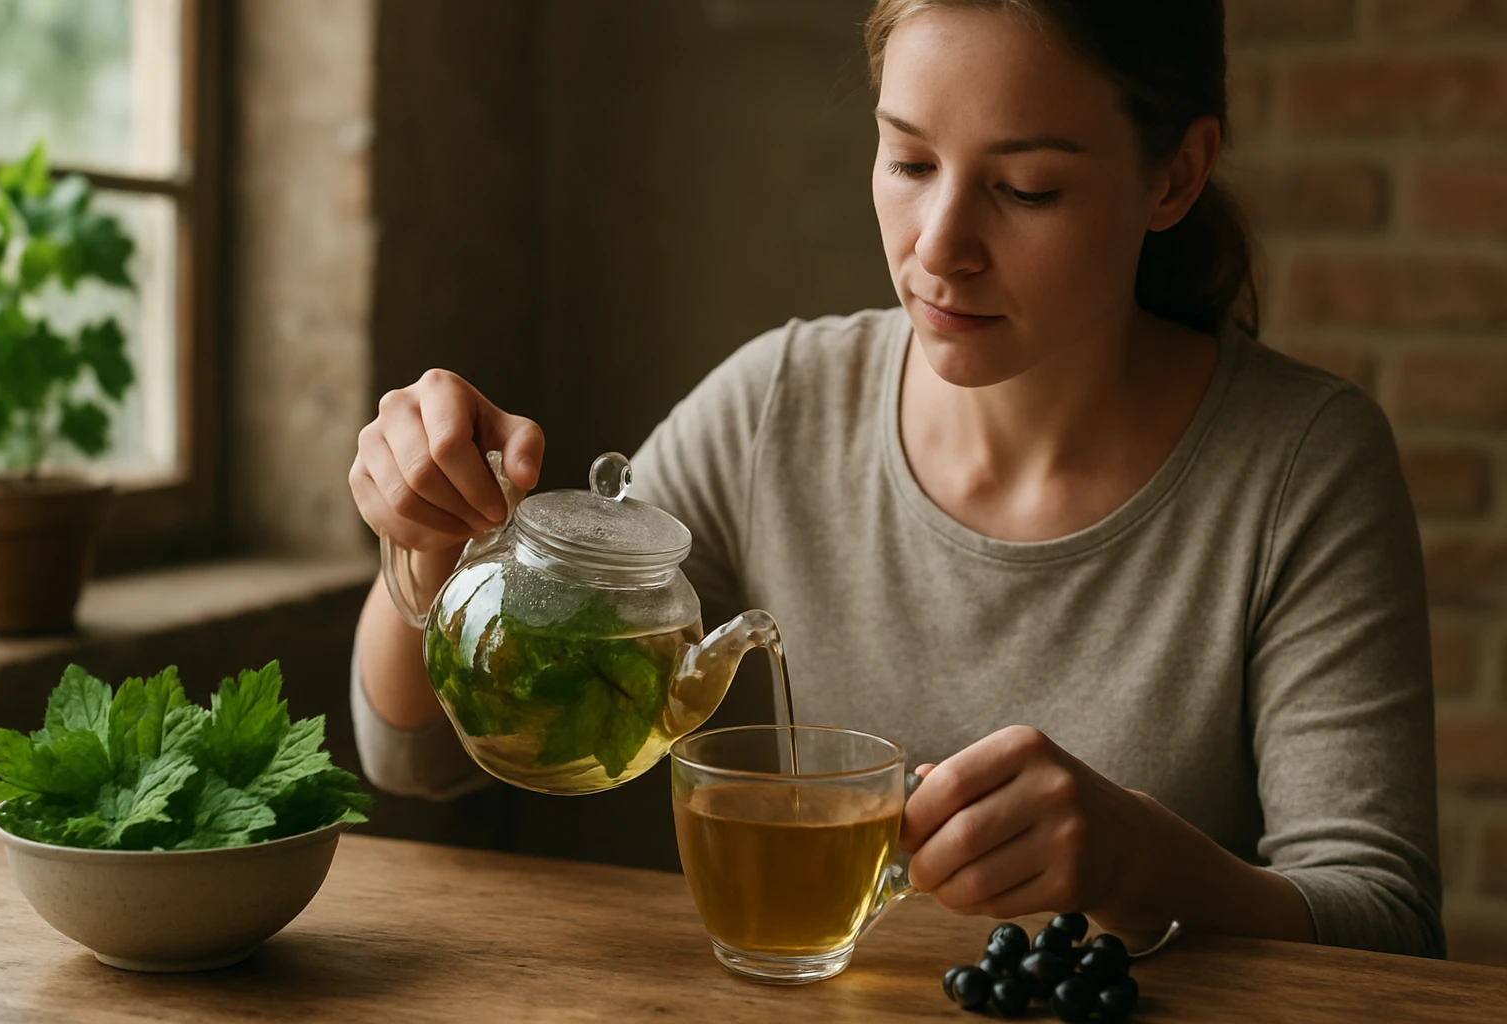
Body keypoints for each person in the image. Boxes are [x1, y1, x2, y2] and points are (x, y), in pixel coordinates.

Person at [348, 0, 1442, 958]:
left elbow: (1387, 926)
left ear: (1176, 175)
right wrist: (432, 544)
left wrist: (1142, 864)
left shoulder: (1304, 465)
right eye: (910, 162)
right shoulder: (778, 407)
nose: (939, 246)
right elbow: (413, 752)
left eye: (1025, 189)